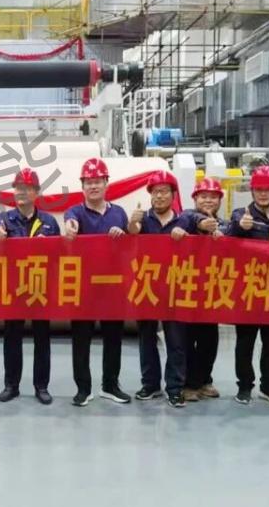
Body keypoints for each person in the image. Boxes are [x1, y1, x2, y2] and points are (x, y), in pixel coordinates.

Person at [63, 157, 132, 407]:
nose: (93, 186)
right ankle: (83, 388)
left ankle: (110, 385)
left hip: (113, 286)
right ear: (82, 186)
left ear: (106, 183)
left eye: (98, 181)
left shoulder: (119, 213)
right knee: (81, 339)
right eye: (88, 182)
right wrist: (70, 228)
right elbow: (70, 223)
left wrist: (123, 234)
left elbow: (130, 245)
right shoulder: (75, 212)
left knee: (113, 338)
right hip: (84, 287)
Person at [127, 169, 197, 409]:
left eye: (164, 191)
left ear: (173, 194)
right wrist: (132, 223)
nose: (159, 196)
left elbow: (202, 240)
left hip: (176, 287)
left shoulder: (185, 220)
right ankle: (150, 385)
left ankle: (175, 388)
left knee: (176, 341)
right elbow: (132, 234)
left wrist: (186, 235)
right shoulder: (143, 219)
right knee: (146, 339)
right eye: (155, 192)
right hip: (147, 287)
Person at [0, 167, 60, 405]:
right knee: (12, 338)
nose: (21, 192)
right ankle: (11, 385)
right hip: (14, 288)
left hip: (40, 288)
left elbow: (60, 254)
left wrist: (47, 245)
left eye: (26, 188)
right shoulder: (5, 219)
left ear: (36, 192)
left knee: (42, 338)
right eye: (18, 188)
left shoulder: (49, 222)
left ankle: (42, 386)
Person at [227, 166, 269, 405]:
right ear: (252, 191)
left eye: (267, 189)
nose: (263, 194)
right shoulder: (240, 215)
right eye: (258, 189)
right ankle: (244, 386)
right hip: (248, 290)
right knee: (245, 342)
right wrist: (239, 227)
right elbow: (228, 239)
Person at [181, 177, 228, 403]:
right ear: (195, 199)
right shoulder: (186, 218)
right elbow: (188, 219)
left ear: (220, 200)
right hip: (187, 290)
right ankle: (189, 384)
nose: (208, 200)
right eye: (203, 196)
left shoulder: (225, 224)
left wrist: (221, 233)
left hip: (213, 291)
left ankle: (204, 380)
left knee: (210, 340)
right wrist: (202, 223)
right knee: (187, 340)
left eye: (213, 197)